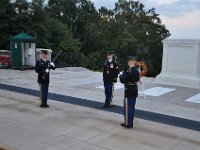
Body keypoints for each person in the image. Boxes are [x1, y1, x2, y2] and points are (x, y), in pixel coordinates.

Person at [119, 56, 140, 128]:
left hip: (129, 91)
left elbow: (123, 80)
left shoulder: (129, 71)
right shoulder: (137, 70)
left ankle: (128, 123)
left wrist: (121, 75)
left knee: (127, 108)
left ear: (132, 62)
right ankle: (130, 122)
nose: (128, 62)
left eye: (129, 61)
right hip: (134, 90)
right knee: (131, 108)